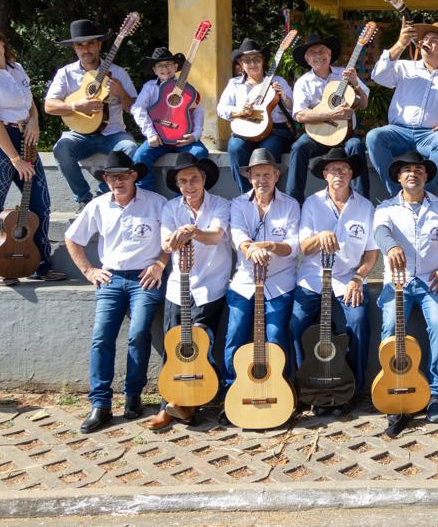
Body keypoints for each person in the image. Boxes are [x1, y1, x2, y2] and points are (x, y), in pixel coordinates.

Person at [63, 152, 168, 433]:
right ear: (105, 179)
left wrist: (159, 263)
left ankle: (133, 394)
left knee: (138, 333)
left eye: (123, 175)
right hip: (110, 279)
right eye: (111, 176)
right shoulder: (98, 206)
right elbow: (72, 238)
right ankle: (101, 404)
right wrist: (89, 271)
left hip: (144, 278)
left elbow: (171, 239)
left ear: (134, 175)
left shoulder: (156, 203)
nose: (117, 181)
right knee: (101, 337)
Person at [0, 24, 67, 286]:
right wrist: (15, 158)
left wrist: (34, 122)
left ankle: (40, 264)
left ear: (2, 42)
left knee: (40, 202)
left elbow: (29, 101)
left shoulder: (16, 68)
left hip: (24, 138)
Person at [373, 150, 438, 436]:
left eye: (419, 170)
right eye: (407, 170)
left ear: (426, 176)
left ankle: (437, 393)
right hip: (397, 282)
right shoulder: (385, 208)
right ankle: (392, 388)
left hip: (431, 283)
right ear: (399, 178)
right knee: (388, 329)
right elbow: (381, 232)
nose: (413, 174)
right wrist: (392, 247)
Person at [290, 147, 378, 416]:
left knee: (359, 320)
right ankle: (304, 387)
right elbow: (304, 246)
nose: (338, 174)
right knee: (295, 325)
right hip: (313, 278)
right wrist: (322, 236)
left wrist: (358, 278)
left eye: (343, 169)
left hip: (346, 278)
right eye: (332, 170)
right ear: (324, 175)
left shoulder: (365, 206)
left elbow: (371, 252)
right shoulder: (312, 203)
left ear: (351, 173)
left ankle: (351, 387)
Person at [146, 154, 231, 430]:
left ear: (204, 179)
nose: (189, 185)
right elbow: (168, 244)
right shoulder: (171, 208)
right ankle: (169, 405)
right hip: (178, 289)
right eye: (183, 181)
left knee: (200, 346)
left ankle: (193, 401)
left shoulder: (221, 205)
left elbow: (216, 235)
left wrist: (193, 232)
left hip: (211, 287)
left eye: (194, 178)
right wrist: (182, 234)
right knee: (174, 349)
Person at [222, 148, 300, 423]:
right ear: (249, 177)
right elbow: (237, 235)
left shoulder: (290, 205)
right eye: (256, 175)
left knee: (276, 338)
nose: (262, 180)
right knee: (235, 336)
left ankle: (282, 393)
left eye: (267, 174)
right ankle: (233, 392)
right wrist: (250, 249)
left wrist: (269, 246)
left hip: (279, 284)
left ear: (277, 175)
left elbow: (293, 245)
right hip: (245, 283)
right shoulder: (238, 205)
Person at [44, 20, 139, 211]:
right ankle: (83, 198)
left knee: (131, 148)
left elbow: (135, 109)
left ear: (99, 44)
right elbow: (49, 106)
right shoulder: (66, 74)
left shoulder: (118, 73)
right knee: (61, 148)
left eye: (90, 43)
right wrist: (75, 106)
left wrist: (121, 93)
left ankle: (104, 192)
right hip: (79, 134)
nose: (85, 49)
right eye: (80, 45)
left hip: (113, 134)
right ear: (74, 48)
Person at [366, 19, 438, 197]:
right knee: (374, 136)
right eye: (425, 39)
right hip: (398, 131)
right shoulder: (404, 66)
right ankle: (397, 195)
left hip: (429, 135)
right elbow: (378, 76)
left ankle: (422, 195)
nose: (427, 42)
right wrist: (400, 44)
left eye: (434, 40)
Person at [286, 33, 370, 203]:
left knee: (356, 146)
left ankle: (362, 202)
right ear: (307, 59)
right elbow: (299, 115)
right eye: (313, 53)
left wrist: (355, 84)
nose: (318, 55)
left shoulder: (345, 75)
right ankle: (293, 202)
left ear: (330, 55)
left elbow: (364, 104)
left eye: (322, 51)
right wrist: (330, 114)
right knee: (298, 147)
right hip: (318, 136)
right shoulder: (303, 82)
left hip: (345, 135)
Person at [217, 39, 296, 194]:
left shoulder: (277, 81)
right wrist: (239, 111)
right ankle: (247, 196)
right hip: (244, 131)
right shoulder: (234, 84)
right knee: (234, 147)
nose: (252, 63)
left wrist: (283, 97)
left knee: (268, 151)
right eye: (247, 60)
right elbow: (221, 109)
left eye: (256, 59)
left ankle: (270, 195)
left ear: (263, 60)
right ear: (240, 64)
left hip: (274, 131)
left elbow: (294, 108)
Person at [130, 47, 210, 193]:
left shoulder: (187, 88)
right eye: (160, 66)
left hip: (183, 139)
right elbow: (137, 108)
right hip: (159, 138)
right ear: (154, 70)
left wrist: (195, 135)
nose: (165, 69)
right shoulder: (149, 88)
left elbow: (197, 110)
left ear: (175, 67)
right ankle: (147, 196)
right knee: (140, 156)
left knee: (199, 153)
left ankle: (186, 197)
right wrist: (150, 133)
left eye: (168, 64)